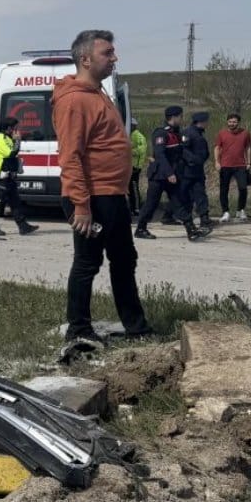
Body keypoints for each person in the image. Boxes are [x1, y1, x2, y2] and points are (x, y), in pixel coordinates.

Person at [51, 29, 153, 349]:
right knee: (87, 263)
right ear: (85, 59)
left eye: (112, 52)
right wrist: (81, 205)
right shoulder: (75, 100)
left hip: (112, 194)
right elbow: (71, 155)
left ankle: (136, 327)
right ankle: (78, 329)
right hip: (93, 198)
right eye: (107, 53)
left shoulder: (97, 93)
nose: (114, 57)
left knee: (124, 258)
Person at [135, 106, 207, 240]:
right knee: (152, 203)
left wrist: (193, 161)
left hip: (172, 176)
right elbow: (160, 155)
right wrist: (169, 173)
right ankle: (141, 228)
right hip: (159, 176)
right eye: (180, 116)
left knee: (179, 201)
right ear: (173, 117)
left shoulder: (176, 134)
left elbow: (181, 153)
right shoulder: (161, 133)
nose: (181, 119)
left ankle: (191, 229)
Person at [0, 116, 39, 236]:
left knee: (15, 202)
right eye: (15, 128)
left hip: (9, 176)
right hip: (1, 177)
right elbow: (11, 153)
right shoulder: (0, 139)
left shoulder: (8, 138)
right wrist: (18, 141)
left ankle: (23, 225)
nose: (16, 131)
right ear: (8, 128)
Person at [216, 113, 251, 222]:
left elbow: (248, 148)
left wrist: (249, 162)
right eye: (230, 121)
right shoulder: (222, 133)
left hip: (240, 165)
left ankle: (240, 210)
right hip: (225, 165)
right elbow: (217, 148)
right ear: (227, 122)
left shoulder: (245, 133)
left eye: (234, 122)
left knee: (243, 188)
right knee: (224, 189)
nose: (232, 124)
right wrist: (217, 162)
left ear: (238, 122)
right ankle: (225, 212)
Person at [181, 111, 213, 230]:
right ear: (201, 122)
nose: (207, 124)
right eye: (206, 121)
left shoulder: (198, 133)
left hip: (197, 171)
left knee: (200, 194)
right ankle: (175, 215)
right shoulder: (188, 133)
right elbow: (183, 150)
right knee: (183, 195)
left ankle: (204, 218)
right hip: (187, 171)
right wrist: (193, 160)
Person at [128, 118, 147, 216]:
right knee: (128, 188)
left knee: (134, 188)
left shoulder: (139, 136)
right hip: (128, 166)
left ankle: (137, 208)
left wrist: (129, 151)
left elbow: (142, 150)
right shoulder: (128, 134)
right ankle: (131, 208)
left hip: (135, 166)